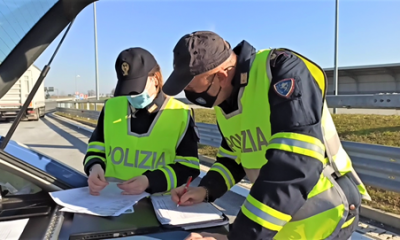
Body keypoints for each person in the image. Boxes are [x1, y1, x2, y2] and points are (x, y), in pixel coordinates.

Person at [162, 31, 371, 240]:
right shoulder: (223, 97)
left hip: (324, 213)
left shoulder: (281, 70)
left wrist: (238, 237)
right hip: (278, 217)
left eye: (191, 86)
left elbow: (294, 164)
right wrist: (205, 190)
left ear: (221, 76)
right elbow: (233, 157)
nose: (189, 94)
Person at [83, 47, 200, 196]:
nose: (131, 96)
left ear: (155, 79)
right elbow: (97, 146)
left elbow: (189, 167)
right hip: (111, 199)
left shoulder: (180, 114)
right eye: (127, 89)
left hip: (156, 204)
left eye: (136, 90)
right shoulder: (111, 107)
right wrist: (94, 166)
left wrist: (150, 181)